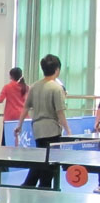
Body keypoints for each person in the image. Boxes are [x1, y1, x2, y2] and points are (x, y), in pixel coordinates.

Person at [15, 55, 69, 190]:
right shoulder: (57, 88)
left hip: (38, 129)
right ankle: (39, 186)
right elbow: (60, 112)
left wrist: (19, 125)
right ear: (57, 70)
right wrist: (68, 130)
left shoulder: (34, 86)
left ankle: (29, 185)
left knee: (41, 159)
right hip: (51, 129)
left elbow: (26, 107)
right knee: (48, 164)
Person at [0, 67, 28, 144]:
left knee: (7, 142)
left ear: (11, 76)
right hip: (23, 117)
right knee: (22, 142)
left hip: (10, 118)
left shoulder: (7, 87)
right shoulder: (26, 87)